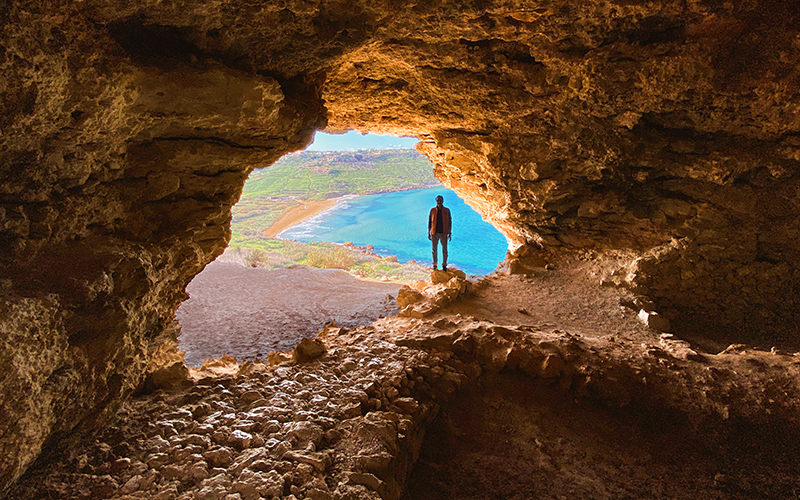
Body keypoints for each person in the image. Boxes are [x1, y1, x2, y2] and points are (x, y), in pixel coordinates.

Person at [428, 195, 452, 271]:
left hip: (444, 233)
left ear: (443, 201)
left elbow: (449, 222)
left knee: (445, 250)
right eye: (438, 200)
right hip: (434, 233)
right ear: (436, 201)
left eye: (440, 200)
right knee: (434, 250)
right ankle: (434, 265)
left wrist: (449, 233)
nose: (439, 202)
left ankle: (444, 265)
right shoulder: (432, 210)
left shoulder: (447, 210)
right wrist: (429, 232)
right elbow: (429, 222)